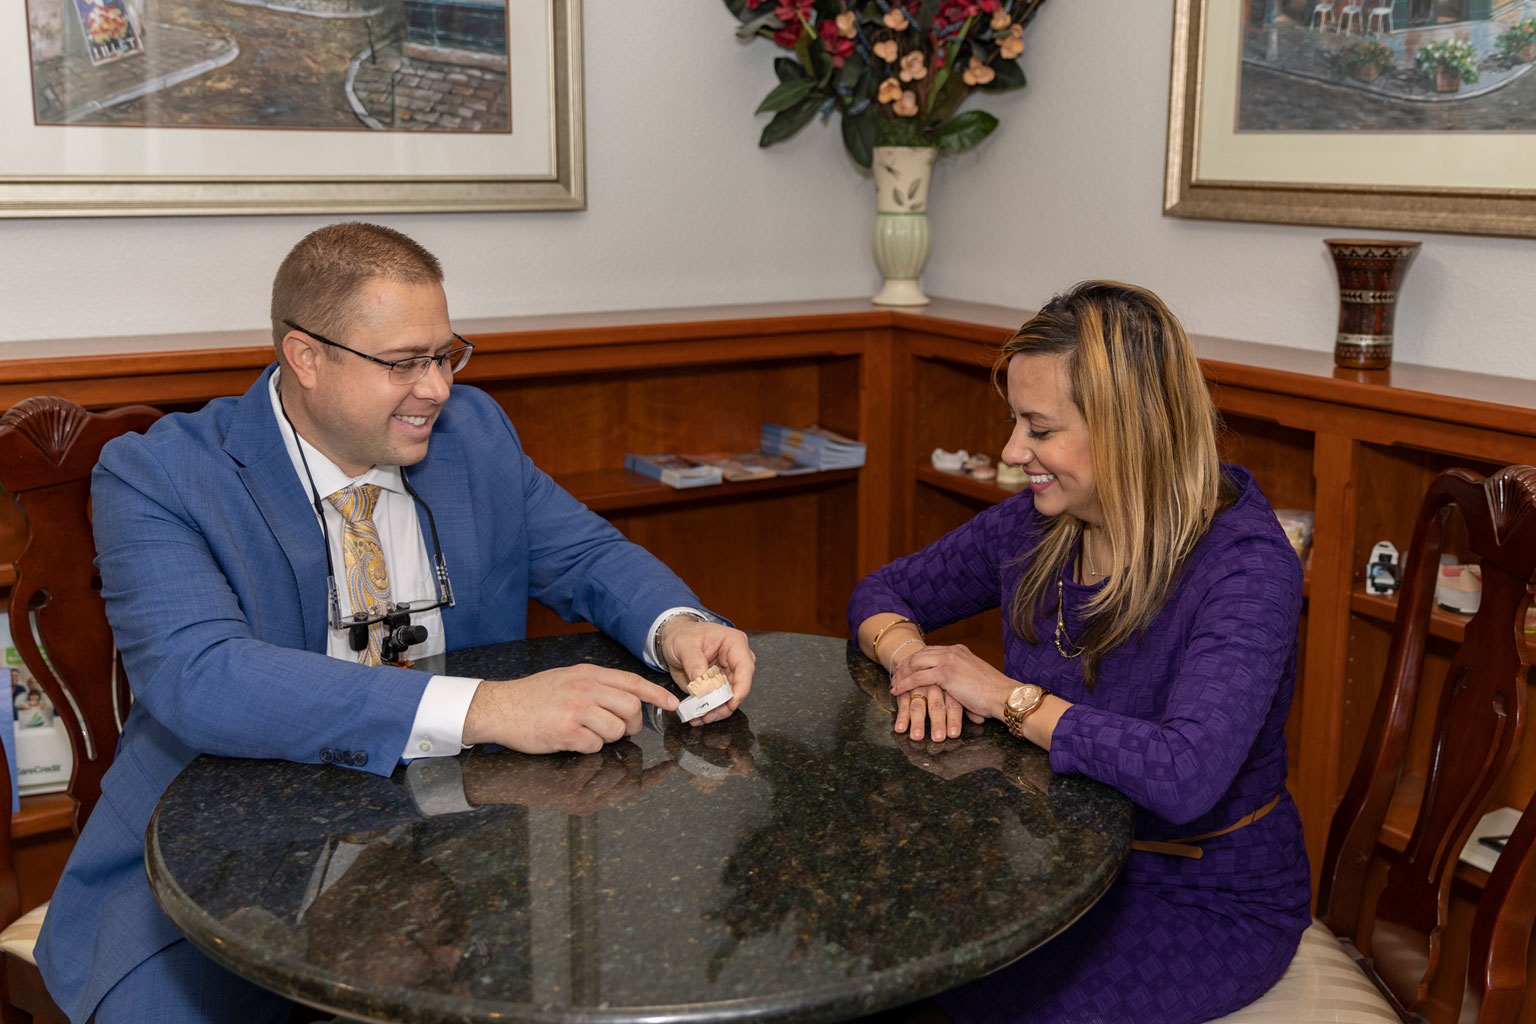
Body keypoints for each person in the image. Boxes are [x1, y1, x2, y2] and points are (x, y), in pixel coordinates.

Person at [35, 222, 756, 1024]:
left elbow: (586, 555)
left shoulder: (472, 435)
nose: (438, 389)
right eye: (404, 363)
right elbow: (198, 674)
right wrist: (490, 708)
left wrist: (677, 624)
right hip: (216, 867)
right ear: (305, 357)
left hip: (455, 847)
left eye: (445, 355)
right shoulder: (164, 473)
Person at [848, 281, 1310, 1023]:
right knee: (876, 944)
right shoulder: (1041, 524)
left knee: (955, 996)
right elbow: (882, 591)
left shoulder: (1245, 568)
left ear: (1132, 430)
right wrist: (915, 661)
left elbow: (1184, 772)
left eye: (1038, 428)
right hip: (1049, 863)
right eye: (1014, 422)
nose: (1011, 451)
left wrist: (1005, 697)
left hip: (1196, 892)